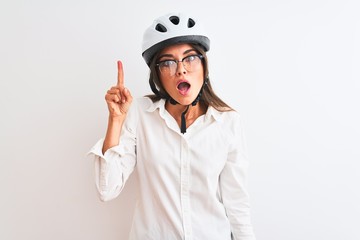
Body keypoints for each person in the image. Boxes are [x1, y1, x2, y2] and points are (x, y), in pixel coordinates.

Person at [88, 12, 256, 240]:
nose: (181, 70)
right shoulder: (139, 114)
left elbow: (237, 205)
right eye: (167, 62)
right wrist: (115, 121)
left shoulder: (228, 122)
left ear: (204, 66)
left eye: (190, 58)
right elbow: (106, 189)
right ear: (157, 75)